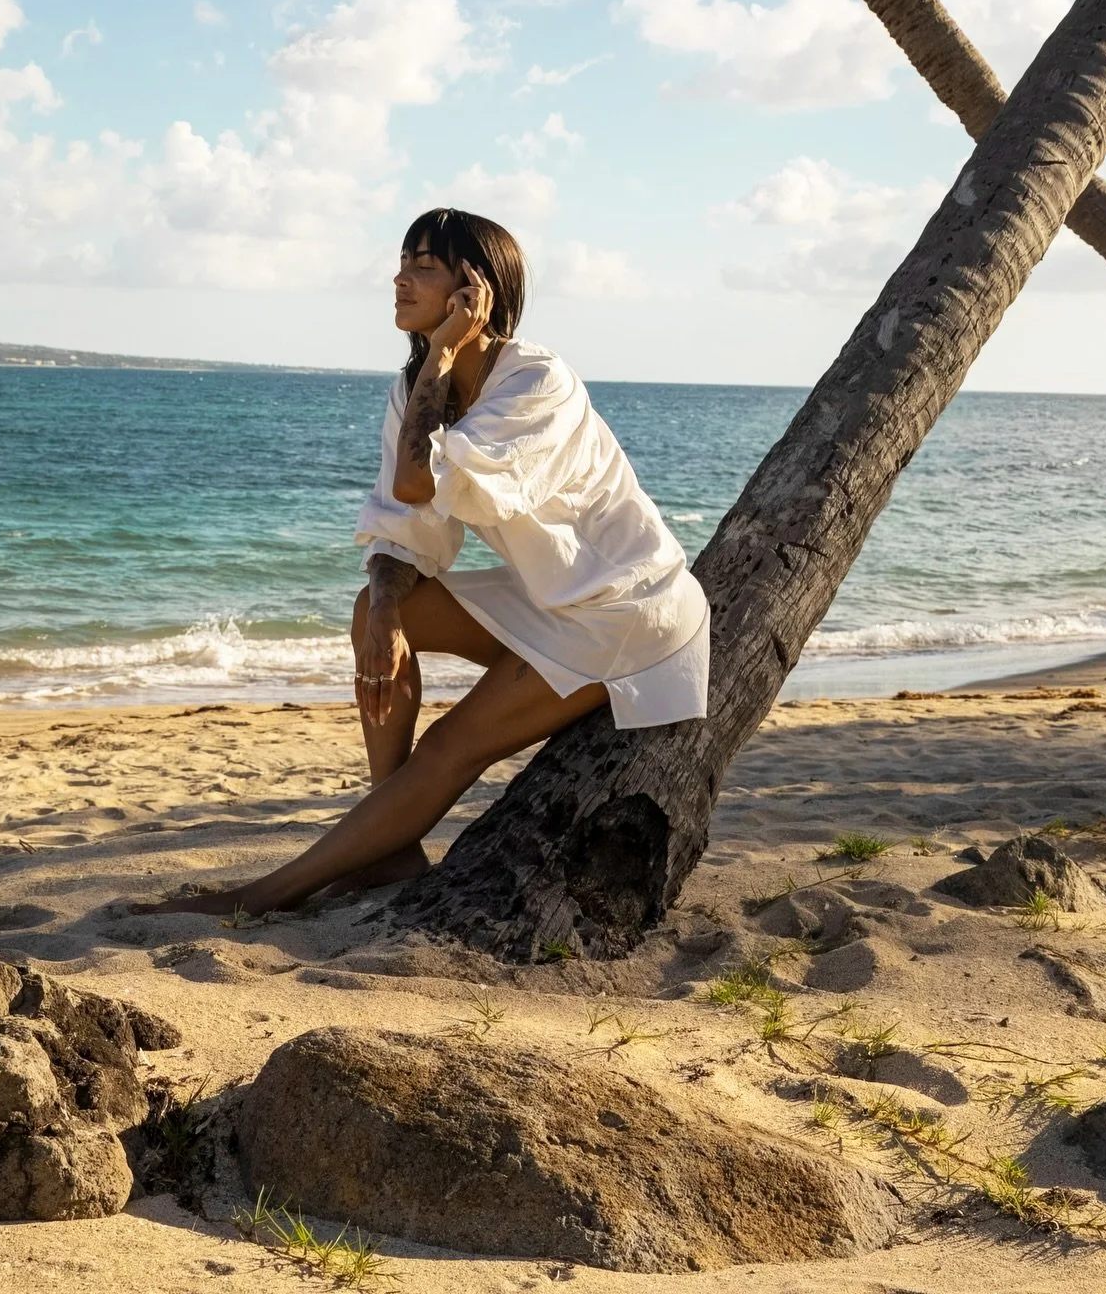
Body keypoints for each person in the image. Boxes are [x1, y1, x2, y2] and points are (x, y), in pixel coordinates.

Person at [132, 208, 709, 917]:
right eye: (403, 260)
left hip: (626, 610)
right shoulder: (415, 393)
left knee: (446, 747)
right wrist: (383, 610)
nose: (400, 277)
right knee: (381, 606)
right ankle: (392, 849)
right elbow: (405, 526)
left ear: (476, 290)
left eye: (424, 265)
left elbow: (418, 482)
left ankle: (264, 895)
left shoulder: (537, 382)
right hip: (553, 597)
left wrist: (441, 353)